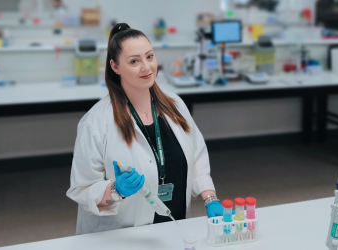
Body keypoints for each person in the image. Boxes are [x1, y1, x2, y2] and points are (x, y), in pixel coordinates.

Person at [66, 23, 224, 235]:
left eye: (149, 57)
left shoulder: (175, 106)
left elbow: (197, 158)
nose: (146, 67)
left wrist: (210, 199)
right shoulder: (95, 122)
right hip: (121, 236)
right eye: (134, 61)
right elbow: (81, 189)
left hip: (173, 226)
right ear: (115, 67)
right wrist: (115, 190)